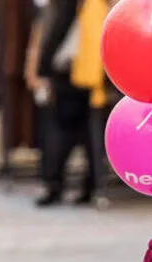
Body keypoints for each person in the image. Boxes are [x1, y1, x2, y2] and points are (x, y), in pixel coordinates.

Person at [33, 0, 101, 208]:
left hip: (70, 75)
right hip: (86, 76)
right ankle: (88, 185)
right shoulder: (96, 5)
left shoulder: (68, 5)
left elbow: (57, 32)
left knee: (61, 134)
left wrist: (43, 68)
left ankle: (56, 184)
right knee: (85, 134)